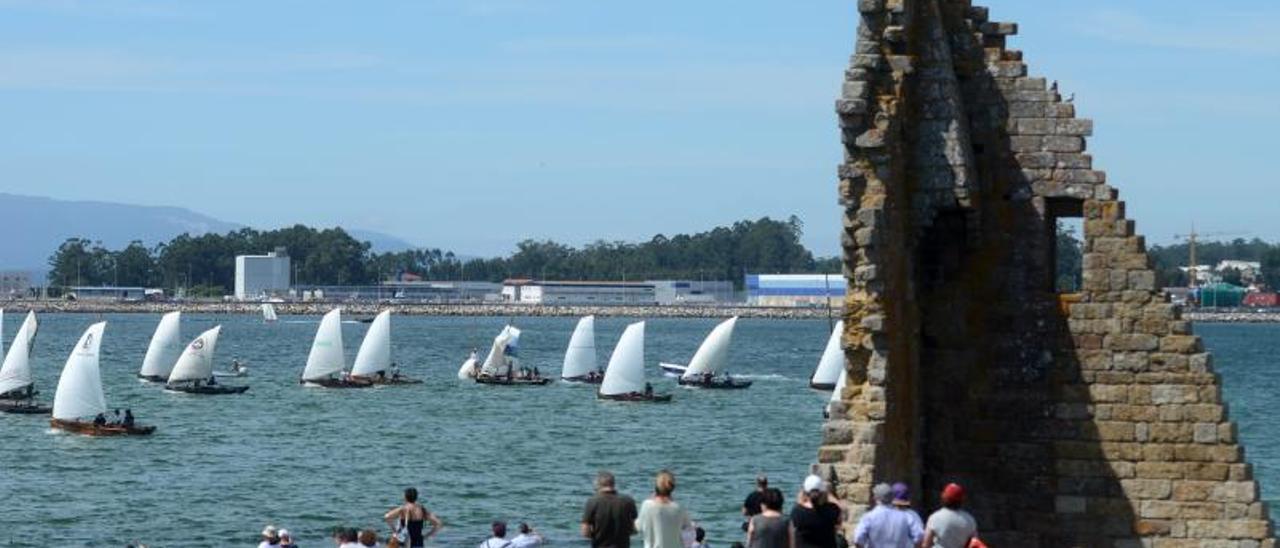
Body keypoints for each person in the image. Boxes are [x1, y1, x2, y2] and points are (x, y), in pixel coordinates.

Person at [851, 483, 921, 548]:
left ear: (875, 498)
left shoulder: (869, 517)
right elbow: (919, 536)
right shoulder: (906, 517)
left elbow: (858, 538)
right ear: (892, 498)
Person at [634, 470, 692, 548]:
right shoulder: (679, 508)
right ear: (672, 488)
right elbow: (689, 532)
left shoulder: (647, 505)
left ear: (656, 487)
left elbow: (637, 528)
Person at [581, 470, 639, 548]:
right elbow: (634, 530)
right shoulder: (628, 501)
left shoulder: (592, 502)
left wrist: (596, 535)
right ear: (613, 484)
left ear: (598, 485)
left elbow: (585, 532)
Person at [790, 475, 844, 548]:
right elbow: (842, 511)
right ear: (822, 492)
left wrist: (802, 496)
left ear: (805, 492)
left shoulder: (797, 512)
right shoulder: (832, 510)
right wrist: (828, 494)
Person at [922, 484, 977, 548]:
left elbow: (926, 544)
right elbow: (974, 544)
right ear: (961, 500)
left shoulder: (935, 517)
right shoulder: (969, 519)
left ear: (944, 498)